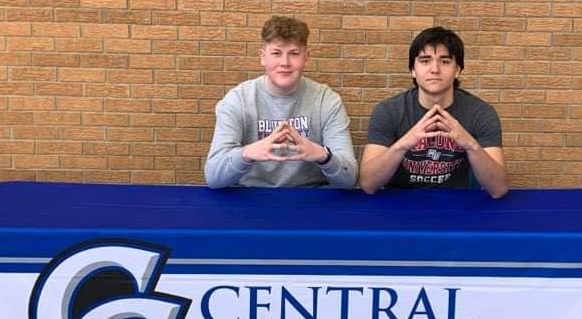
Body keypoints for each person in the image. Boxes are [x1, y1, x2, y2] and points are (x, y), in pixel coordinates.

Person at [204, 16, 357, 189]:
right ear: (263, 57)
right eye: (276, 53)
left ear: (306, 57)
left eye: (294, 53)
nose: (285, 63)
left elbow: (349, 179)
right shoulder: (238, 100)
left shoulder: (327, 101)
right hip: (251, 198)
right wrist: (247, 153)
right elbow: (213, 177)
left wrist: (323, 156)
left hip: (310, 200)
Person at [358, 26, 508, 198]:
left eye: (444, 61)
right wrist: (404, 143)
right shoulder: (389, 111)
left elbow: (499, 189)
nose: (435, 69)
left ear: (457, 70)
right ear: (412, 70)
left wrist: (470, 144)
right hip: (399, 204)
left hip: (456, 206)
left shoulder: (480, 112)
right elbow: (368, 184)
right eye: (425, 61)